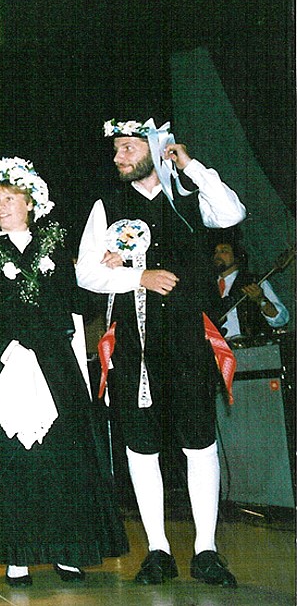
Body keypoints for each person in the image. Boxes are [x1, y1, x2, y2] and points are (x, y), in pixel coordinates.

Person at [77, 119, 247, 587]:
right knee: (141, 443)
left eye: (128, 148)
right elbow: (86, 273)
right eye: (116, 149)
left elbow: (231, 213)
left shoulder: (190, 195)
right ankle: (157, 549)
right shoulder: (107, 205)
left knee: (199, 439)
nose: (118, 157)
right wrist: (138, 277)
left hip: (190, 339)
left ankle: (206, 550)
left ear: (155, 148)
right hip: (134, 344)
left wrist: (190, 165)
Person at [0, 157, 128, 586]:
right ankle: (17, 555)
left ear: (30, 203)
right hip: (1, 366)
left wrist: (107, 268)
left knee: (60, 459)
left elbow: (77, 302)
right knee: (11, 461)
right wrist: (4, 349)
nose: (1, 207)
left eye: (9, 199)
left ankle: (67, 550)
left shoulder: (54, 247)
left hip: (53, 366)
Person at [212, 239, 289, 339]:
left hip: (247, 345)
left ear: (237, 257)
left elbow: (281, 319)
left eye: (224, 251)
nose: (217, 256)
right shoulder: (206, 287)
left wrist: (261, 300)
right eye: (215, 252)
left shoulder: (255, 281)